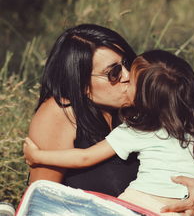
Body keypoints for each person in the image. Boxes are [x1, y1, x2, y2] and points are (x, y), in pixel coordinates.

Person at [24, 50, 194, 216]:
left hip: (142, 202)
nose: (125, 79)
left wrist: (39, 156)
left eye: (131, 79)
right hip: (179, 209)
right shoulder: (193, 128)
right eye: (114, 72)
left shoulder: (140, 129)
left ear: (143, 96)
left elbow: (84, 157)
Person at [27, 23, 139, 196]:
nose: (127, 75)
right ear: (82, 84)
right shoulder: (61, 112)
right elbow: (42, 199)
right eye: (114, 72)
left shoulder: (144, 107)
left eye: (127, 63)